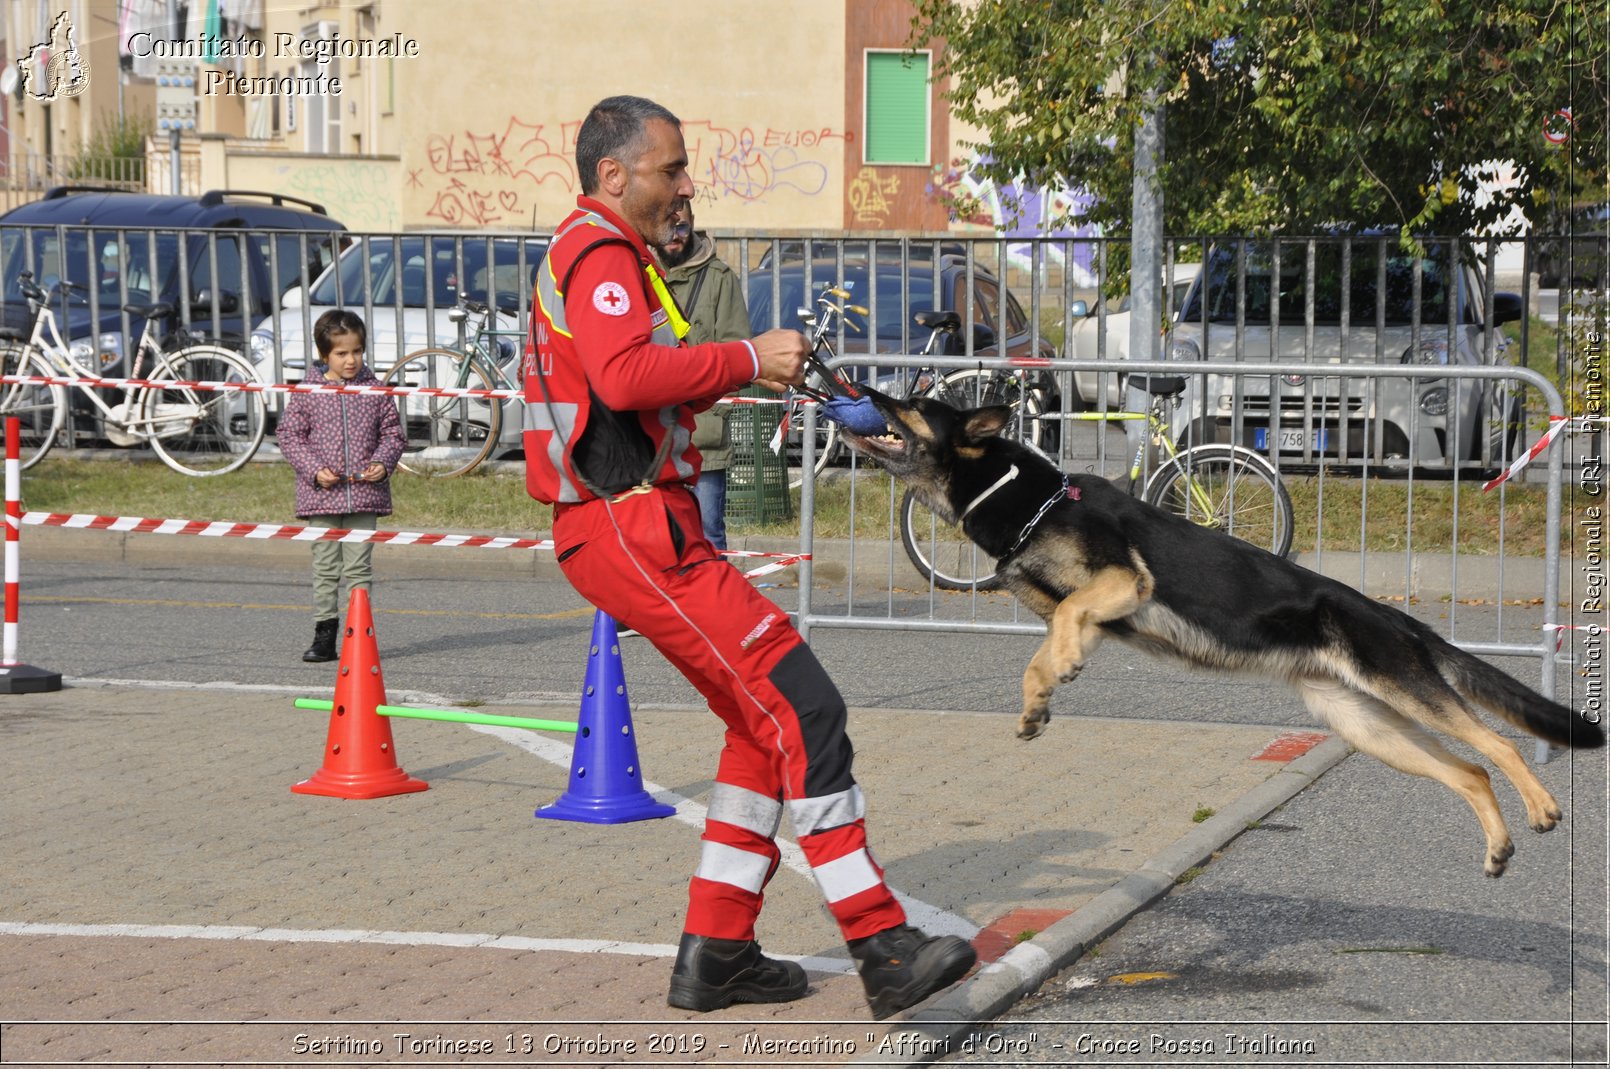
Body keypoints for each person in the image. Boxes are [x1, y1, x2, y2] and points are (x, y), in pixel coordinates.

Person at [522, 94, 975, 1021]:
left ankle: (717, 950)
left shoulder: (609, 254)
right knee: (806, 707)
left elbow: (633, 387)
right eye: (671, 168)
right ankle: (883, 945)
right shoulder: (600, 248)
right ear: (615, 176)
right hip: (632, 525)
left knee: (756, 726)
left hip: (638, 523)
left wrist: (752, 369)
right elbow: (621, 377)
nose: (686, 185)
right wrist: (746, 356)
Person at [278, 310, 406, 663]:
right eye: (341, 353)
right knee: (325, 566)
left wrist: (383, 462)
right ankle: (324, 634)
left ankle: (358, 635)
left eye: (357, 351)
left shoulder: (376, 390)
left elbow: (393, 434)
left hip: (365, 495)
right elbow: (289, 435)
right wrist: (315, 470)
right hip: (321, 497)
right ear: (324, 355)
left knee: (359, 567)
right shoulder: (308, 391)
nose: (351, 360)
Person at [651, 202, 750, 549]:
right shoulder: (641, 272)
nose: (675, 238)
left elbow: (737, 354)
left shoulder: (720, 279)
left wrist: (713, 409)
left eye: (682, 228)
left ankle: (712, 606)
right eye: (668, 229)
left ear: (692, 225)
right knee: (656, 539)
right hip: (651, 438)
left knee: (708, 537)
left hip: (704, 438)